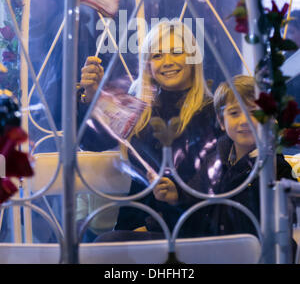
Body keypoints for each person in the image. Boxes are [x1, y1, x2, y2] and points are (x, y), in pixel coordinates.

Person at [80, 19, 219, 240]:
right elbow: (91, 143)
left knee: (104, 243)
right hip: (134, 223)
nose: (167, 62)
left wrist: (155, 223)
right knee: (86, 239)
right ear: (148, 66)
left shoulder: (212, 112)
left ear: (193, 58)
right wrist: (92, 97)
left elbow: (214, 181)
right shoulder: (140, 108)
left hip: (187, 226)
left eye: (176, 52)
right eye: (157, 55)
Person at [159, 75, 296, 240]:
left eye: (254, 112)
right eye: (234, 113)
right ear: (221, 121)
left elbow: (290, 215)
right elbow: (195, 196)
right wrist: (176, 196)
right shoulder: (214, 160)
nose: (244, 121)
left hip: (257, 251)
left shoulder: (275, 166)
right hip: (216, 246)